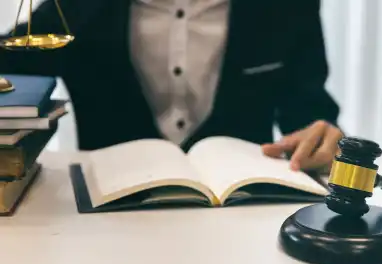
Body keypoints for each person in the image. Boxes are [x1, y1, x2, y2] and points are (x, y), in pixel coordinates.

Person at [0, 0, 343, 172]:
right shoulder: (78, 6)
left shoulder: (287, 7)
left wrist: (326, 140)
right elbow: (9, 63)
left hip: (246, 218)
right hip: (108, 225)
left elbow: (309, 112)